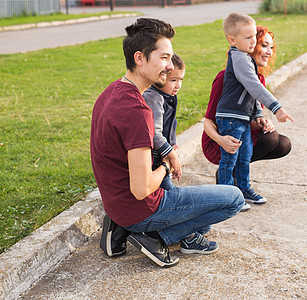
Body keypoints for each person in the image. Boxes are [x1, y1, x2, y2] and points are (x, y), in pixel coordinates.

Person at [91, 18, 244, 268]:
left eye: (170, 58)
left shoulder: (112, 91)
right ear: (139, 58)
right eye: (163, 58)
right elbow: (141, 189)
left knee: (199, 208)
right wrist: (165, 163)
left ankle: (130, 227)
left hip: (118, 204)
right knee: (234, 199)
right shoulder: (136, 110)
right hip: (140, 208)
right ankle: (152, 235)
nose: (170, 66)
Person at [202, 26, 292, 208]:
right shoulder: (223, 78)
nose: (269, 52)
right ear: (250, 46)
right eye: (264, 45)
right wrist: (221, 140)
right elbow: (208, 121)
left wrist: (261, 121)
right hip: (219, 141)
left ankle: (241, 187)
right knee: (271, 140)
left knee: (282, 143)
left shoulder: (259, 78)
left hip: (241, 133)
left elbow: (249, 111)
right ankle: (226, 185)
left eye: (271, 47)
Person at [142, 53, 185, 191]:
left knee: (167, 190)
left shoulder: (168, 95)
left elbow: (169, 123)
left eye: (181, 79)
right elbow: (154, 134)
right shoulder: (154, 97)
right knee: (170, 194)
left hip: (163, 154)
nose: (178, 85)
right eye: (173, 80)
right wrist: (172, 155)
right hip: (154, 161)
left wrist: (172, 144)